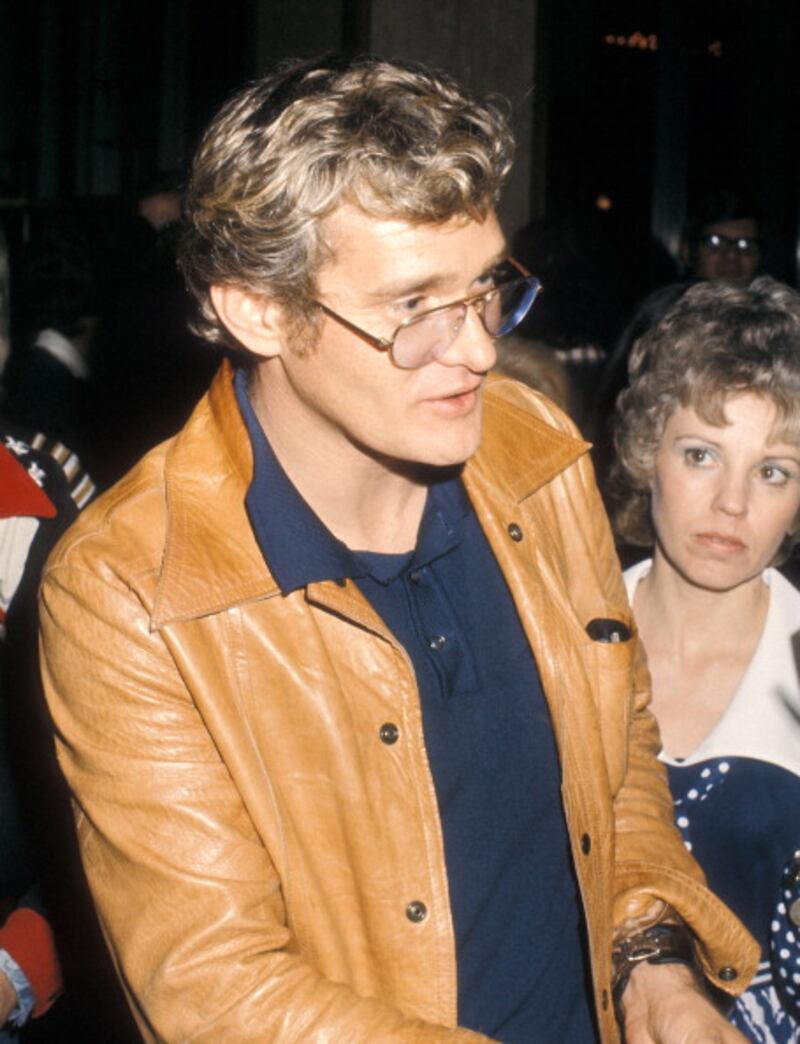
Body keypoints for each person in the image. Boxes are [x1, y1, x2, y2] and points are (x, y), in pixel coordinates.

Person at [39, 56, 756, 1043]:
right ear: (258, 308)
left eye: (484, 288)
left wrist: (652, 962)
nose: (477, 350)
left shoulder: (533, 452)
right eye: (414, 307)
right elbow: (216, 991)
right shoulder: (130, 588)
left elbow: (618, 752)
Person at [613, 277, 800, 1042]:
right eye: (701, 455)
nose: (732, 503)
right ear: (646, 452)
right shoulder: (560, 642)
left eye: (773, 470)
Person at [681, 189, 764, 288]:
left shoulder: (775, 296)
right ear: (687, 252)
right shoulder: (667, 297)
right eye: (715, 242)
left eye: (746, 244)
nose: (732, 255)